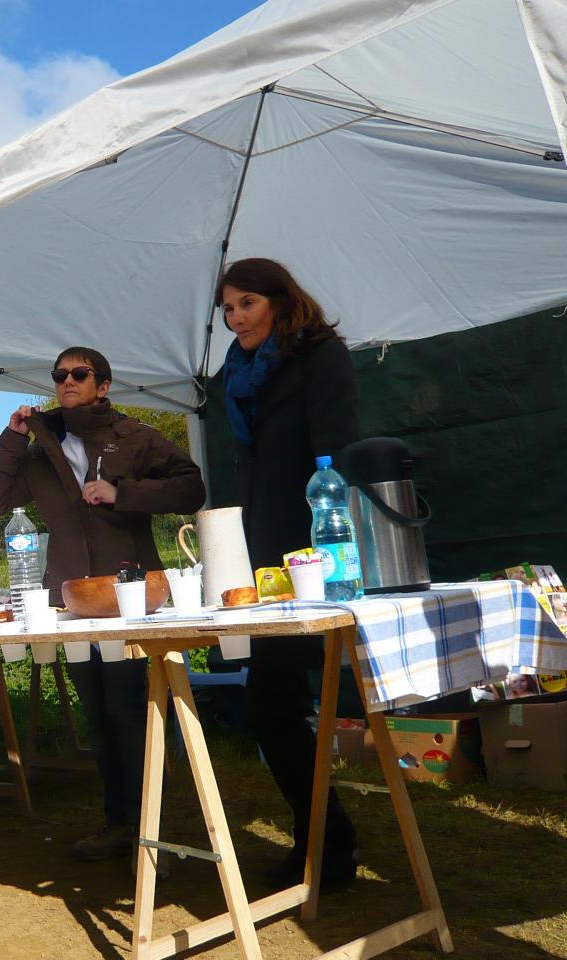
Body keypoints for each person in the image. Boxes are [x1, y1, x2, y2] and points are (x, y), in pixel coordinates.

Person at [0, 347, 205, 861]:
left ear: (103, 384)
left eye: (79, 374)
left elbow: (192, 486)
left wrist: (121, 492)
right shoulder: (39, 447)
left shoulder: (133, 436)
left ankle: (156, 830)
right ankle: (119, 824)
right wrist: (13, 437)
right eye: (59, 376)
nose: (67, 382)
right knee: (99, 718)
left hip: (129, 597)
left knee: (134, 712)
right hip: (73, 600)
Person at [214, 257, 360, 889]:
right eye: (226, 309)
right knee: (274, 703)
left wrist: (330, 553)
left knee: (275, 702)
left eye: (246, 303)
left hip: (316, 550)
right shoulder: (237, 374)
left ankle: (326, 845)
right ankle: (323, 842)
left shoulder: (319, 357)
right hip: (263, 553)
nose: (235, 318)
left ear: (278, 300)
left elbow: (339, 452)